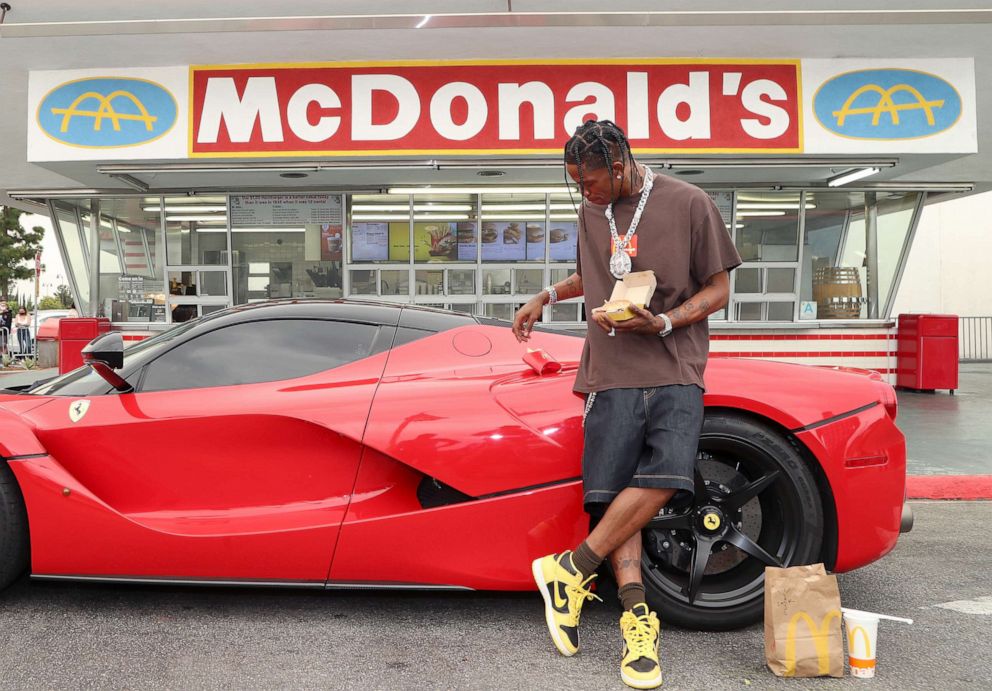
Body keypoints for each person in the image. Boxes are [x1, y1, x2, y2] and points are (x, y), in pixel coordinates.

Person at [512, 120, 741, 689]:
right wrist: (546, 295)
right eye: (575, 182)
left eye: (588, 181)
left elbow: (718, 289)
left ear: (618, 166)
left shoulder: (690, 203)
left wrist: (664, 321)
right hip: (610, 370)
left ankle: (572, 569)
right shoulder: (592, 210)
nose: (582, 192)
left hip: (675, 364)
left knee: (664, 477)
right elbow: (594, 276)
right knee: (615, 496)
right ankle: (638, 621)